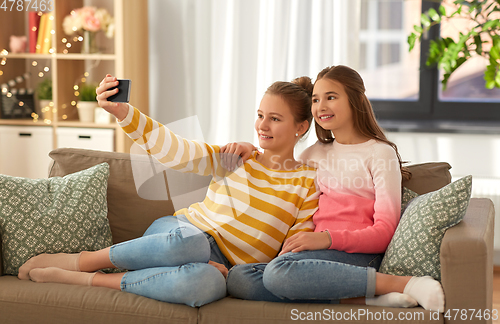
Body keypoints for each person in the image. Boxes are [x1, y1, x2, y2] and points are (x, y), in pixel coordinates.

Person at [17, 74, 321, 308]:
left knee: (204, 287)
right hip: (179, 236)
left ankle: (86, 280)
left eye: (275, 118)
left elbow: (293, 247)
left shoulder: (307, 182)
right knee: (194, 247)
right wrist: (124, 113)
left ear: (301, 127)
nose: (262, 125)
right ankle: (81, 261)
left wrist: (244, 272)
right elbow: (177, 151)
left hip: (222, 267)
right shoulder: (238, 156)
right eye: (260, 115)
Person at [222, 65, 445, 312]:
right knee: (239, 278)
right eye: (316, 100)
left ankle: (403, 284)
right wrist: (249, 149)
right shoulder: (313, 154)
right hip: (315, 255)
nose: (321, 107)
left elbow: (384, 232)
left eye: (331, 97)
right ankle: (364, 298)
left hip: (359, 255)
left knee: (278, 274)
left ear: (356, 100)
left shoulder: (380, 154)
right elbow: (277, 168)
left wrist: (325, 238)